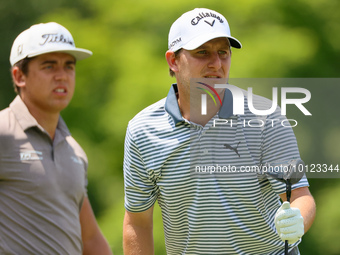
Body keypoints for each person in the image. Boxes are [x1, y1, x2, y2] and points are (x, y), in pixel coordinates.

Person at [123, 8, 316, 255]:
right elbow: (137, 221)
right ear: (173, 61)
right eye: (202, 52)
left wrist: (298, 219)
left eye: (223, 52)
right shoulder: (142, 130)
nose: (216, 64)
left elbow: (301, 196)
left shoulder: (266, 117)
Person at [0, 22, 112, 255]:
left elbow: (90, 239)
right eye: (49, 66)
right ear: (19, 75)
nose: (62, 76)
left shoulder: (74, 150)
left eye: (69, 66)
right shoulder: (3, 132)